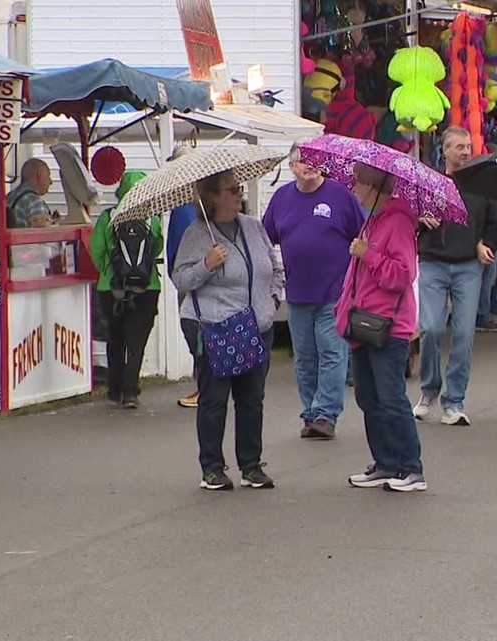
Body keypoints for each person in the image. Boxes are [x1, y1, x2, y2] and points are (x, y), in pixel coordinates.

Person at [173, 168, 284, 492]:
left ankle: (251, 465)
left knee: (252, 398)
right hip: (214, 325)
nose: (239, 194)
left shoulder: (252, 227)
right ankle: (212, 468)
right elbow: (180, 280)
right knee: (215, 398)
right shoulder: (197, 234)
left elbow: (274, 265)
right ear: (211, 197)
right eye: (231, 190)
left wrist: (274, 297)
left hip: (256, 324)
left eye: (238, 188)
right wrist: (206, 265)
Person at [263, 145, 364, 440]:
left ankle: (326, 414)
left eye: (314, 161)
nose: (309, 165)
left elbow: (362, 234)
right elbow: (265, 238)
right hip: (297, 293)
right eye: (302, 161)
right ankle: (310, 412)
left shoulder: (340, 195)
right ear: (292, 167)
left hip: (335, 291)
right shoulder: (282, 198)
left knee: (332, 353)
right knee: (305, 358)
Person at [338, 163, 425, 492]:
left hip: (388, 324)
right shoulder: (371, 220)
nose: (354, 188)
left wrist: (368, 255)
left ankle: (410, 467)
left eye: (358, 182)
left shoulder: (399, 222)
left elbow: (402, 275)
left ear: (373, 186)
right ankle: (386, 462)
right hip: (362, 320)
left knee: (390, 398)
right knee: (368, 396)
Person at [413, 126, 497, 426]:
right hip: (433, 263)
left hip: (468, 266)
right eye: (459, 147)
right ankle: (428, 391)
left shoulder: (482, 183)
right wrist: (420, 218)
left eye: (468, 146)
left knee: (464, 334)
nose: (466, 151)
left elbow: (494, 222)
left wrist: (485, 244)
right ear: (445, 150)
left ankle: (455, 401)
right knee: (432, 329)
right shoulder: (429, 181)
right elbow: (409, 215)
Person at [89, 171, 162, 409]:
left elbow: (96, 249)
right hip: (146, 286)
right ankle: (131, 391)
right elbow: (157, 249)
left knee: (115, 335)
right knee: (137, 339)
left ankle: (114, 388)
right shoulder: (152, 219)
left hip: (111, 287)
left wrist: (109, 272)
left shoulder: (108, 217)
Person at [164, 146, 202, 408]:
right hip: (192, 275)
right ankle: (205, 386)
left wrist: (178, 275)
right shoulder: (192, 203)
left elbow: (181, 245)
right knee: (197, 332)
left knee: (196, 332)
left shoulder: (186, 206)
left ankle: (205, 387)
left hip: (191, 278)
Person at [6, 158, 55, 228]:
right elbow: (44, 236)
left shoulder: (9, 196)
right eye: (48, 176)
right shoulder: (35, 202)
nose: (51, 182)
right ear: (40, 175)